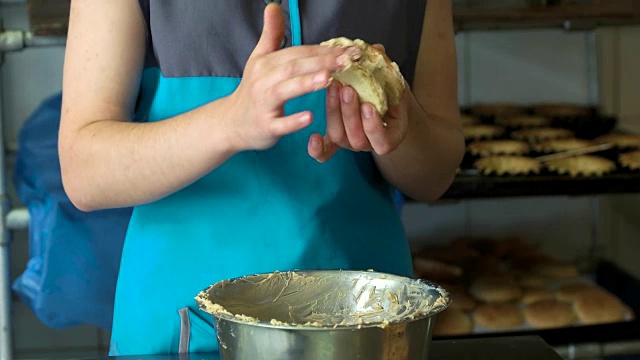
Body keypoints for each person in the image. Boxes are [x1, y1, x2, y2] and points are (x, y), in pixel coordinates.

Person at [59, 0, 464, 356]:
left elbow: (435, 177)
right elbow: (84, 170)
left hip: (365, 325)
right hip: (185, 328)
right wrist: (231, 121)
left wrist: (396, 126)